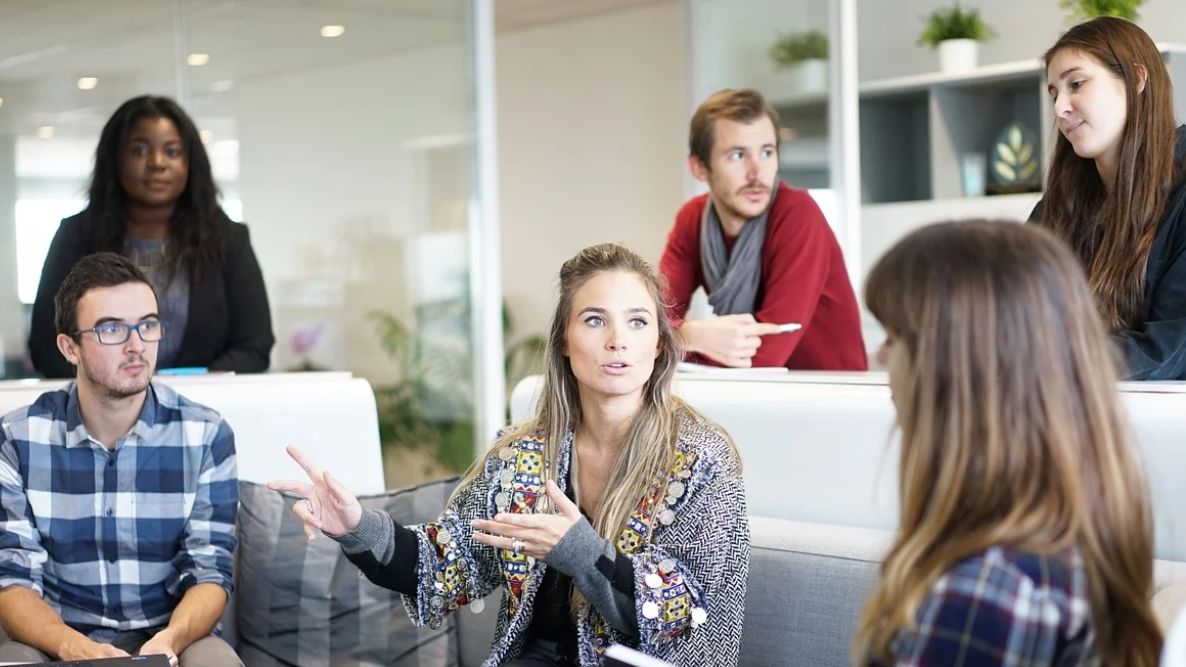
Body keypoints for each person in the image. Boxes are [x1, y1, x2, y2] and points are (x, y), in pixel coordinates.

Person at [270, 243, 749, 666]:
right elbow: (449, 562)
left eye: (638, 321)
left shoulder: (702, 459)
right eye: (595, 319)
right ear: (565, 341)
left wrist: (581, 552)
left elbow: (685, 616)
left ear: (659, 343)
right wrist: (357, 528)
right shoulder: (522, 454)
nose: (617, 339)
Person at [854, 221, 1161, 666]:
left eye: (894, 338)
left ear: (956, 367)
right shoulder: (1062, 545)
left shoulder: (984, 594)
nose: (880, 358)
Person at [0, 253, 241, 666]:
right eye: (111, 328)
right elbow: (12, 579)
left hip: (171, 637)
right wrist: (70, 645)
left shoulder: (206, 434)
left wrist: (169, 641)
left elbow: (209, 571)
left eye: (147, 325)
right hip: (54, 639)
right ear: (69, 347)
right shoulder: (16, 439)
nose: (136, 345)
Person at [29, 95, 274, 378]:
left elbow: (254, 347)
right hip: (101, 413)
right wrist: (120, 388)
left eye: (172, 152)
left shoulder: (228, 239)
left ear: (191, 163)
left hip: (204, 410)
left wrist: (185, 393)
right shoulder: (76, 237)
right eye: (140, 150)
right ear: (115, 159)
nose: (157, 163)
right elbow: (47, 348)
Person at [659, 88, 866, 370]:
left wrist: (675, 340)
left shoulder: (797, 214)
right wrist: (690, 335)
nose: (757, 173)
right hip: (753, 394)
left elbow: (766, 354)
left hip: (828, 397)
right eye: (737, 155)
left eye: (767, 152)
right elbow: (650, 322)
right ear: (699, 168)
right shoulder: (692, 220)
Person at [1032, 17, 1186, 379]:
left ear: (1136, 79)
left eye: (1077, 84)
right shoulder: (1059, 204)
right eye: (1054, 92)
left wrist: (1050, 363)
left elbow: (1172, 347)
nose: (1059, 109)